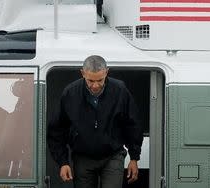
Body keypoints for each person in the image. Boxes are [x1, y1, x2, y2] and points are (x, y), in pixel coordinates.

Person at [47, 55, 143, 187]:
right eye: (90, 80)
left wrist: (134, 157)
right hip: (82, 157)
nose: (95, 85)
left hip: (113, 155)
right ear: (82, 73)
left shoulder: (120, 90)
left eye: (100, 80)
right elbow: (57, 129)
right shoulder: (70, 93)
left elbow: (133, 124)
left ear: (106, 72)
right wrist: (63, 162)